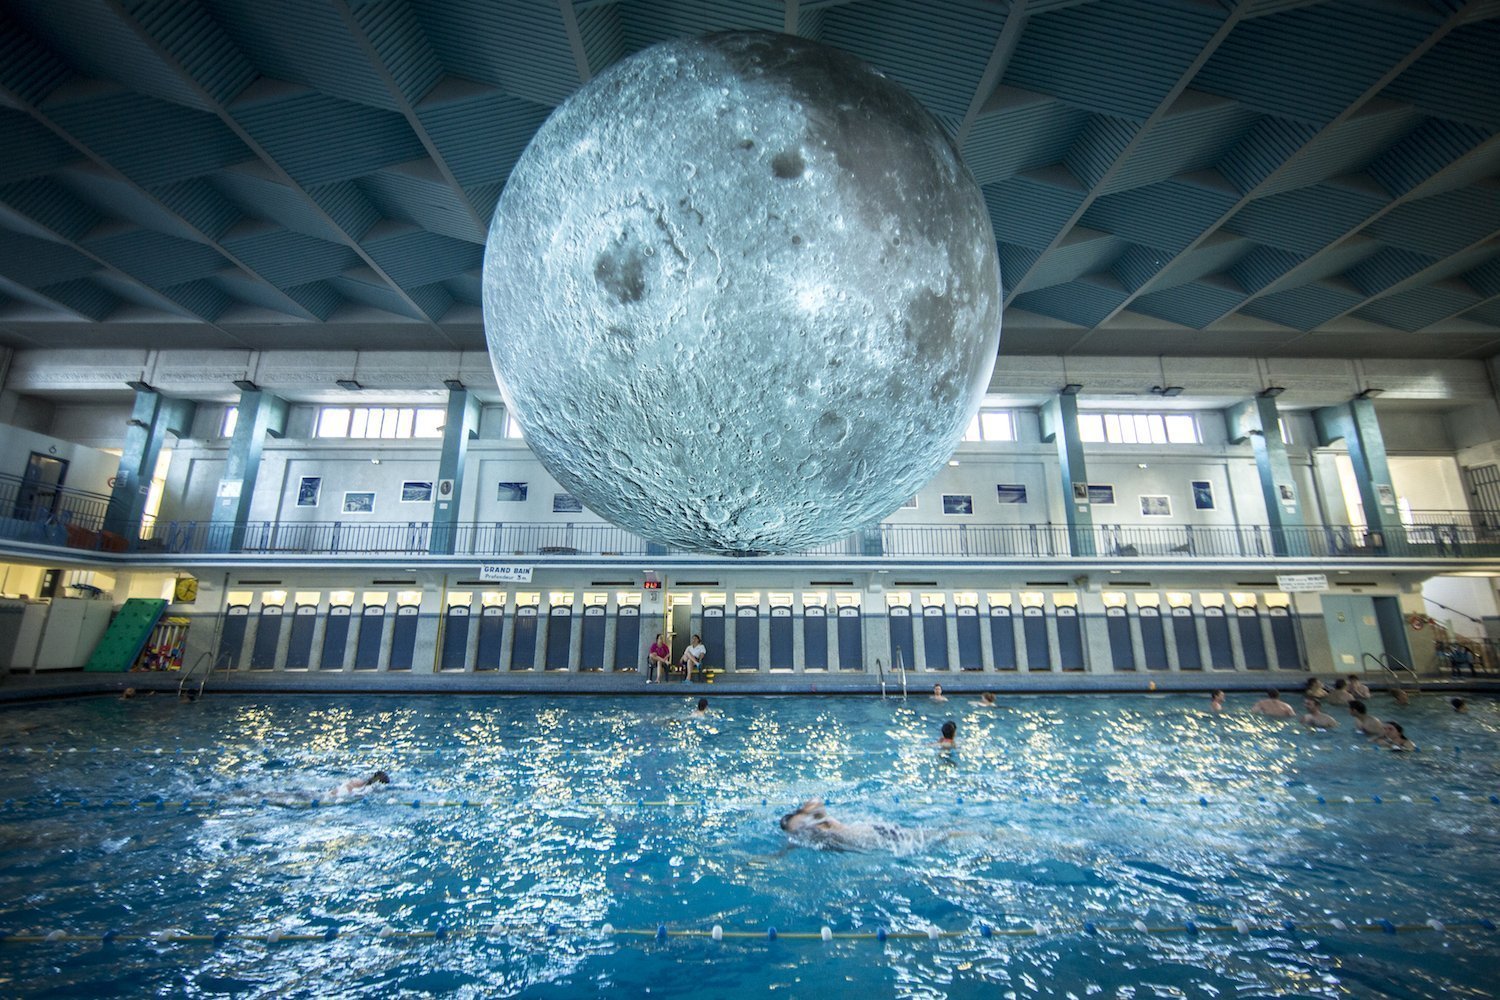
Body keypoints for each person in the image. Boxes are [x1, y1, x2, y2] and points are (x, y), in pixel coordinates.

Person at [779, 798, 905, 852]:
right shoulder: (810, 838)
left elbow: (816, 801)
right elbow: (787, 849)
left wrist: (805, 812)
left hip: (880, 833)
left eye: (801, 824)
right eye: (796, 830)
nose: (802, 829)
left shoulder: (820, 820)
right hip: (876, 842)